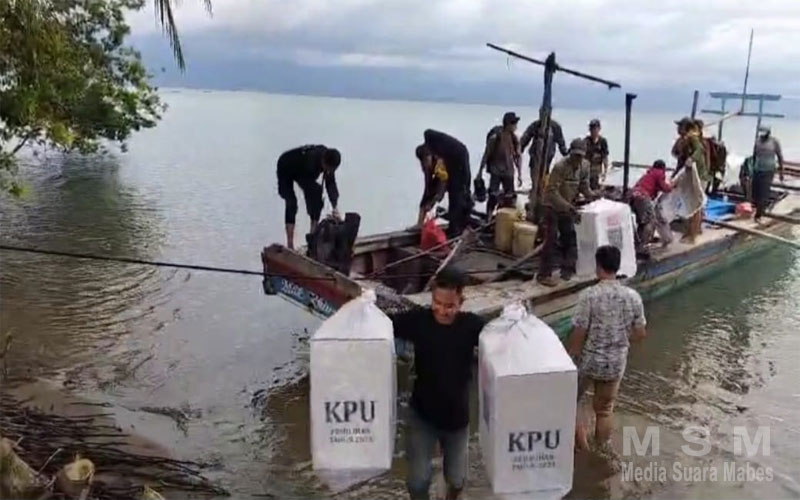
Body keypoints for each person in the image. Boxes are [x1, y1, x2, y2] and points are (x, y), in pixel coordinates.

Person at [390, 267, 486, 500]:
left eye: (449, 306)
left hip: (457, 421)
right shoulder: (418, 321)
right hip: (422, 417)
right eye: (437, 303)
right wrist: (363, 306)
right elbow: (384, 324)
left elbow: (500, 339)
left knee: (457, 479)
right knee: (418, 481)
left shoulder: (472, 326)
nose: (442, 311)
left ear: (461, 301)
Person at [567, 245, 647, 458]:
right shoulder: (633, 297)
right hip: (615, 363)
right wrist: (619, 341)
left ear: (598, 267)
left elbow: (579, 333)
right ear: (617, 267)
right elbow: (640, 333)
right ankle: (601, 451)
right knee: (604, 410)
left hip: (590, 361)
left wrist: (571, 357)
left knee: (572, 401)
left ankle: (582, 447)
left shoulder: (589, 296)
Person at [536, 138, 598, 287]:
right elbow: (551, 191)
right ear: (570, 153)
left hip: (568, 206)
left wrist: (593, 195)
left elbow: (584, 187)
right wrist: (568, 207)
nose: (577, 159)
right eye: (574, 155)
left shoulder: (585, 166)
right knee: (551, 239)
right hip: (552, 206)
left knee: (570, 237)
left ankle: (567, 269)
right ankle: (544, 275)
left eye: (580, 156)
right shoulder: (560, 167)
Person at [277, 145, 341, 250]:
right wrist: (315, 203)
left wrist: (335, 207)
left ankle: (312, 239)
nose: (328, 171)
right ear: (323, 161)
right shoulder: (311, 162)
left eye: (331, 170)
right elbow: (308, 190)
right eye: (327, 168)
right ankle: (290, 244)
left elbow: (330, 184)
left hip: (302, 170)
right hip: (285, 166)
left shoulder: (329, 159)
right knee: (292, 203)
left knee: (316, 198)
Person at [416, 130, 473, 237]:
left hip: (459, 161)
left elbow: (442, 186)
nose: (425, 165)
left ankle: (457, 229)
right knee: (455, 192)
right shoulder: (430, 159)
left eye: (426, 160)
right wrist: (427, 200)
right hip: (455, 161)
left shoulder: (440, 162)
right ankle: (420, 224)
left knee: (457, 193)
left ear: (429, 155)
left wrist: (434, 200)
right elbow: (428, 185)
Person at [520, 108, 569, 214]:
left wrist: (568, 157)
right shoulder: (535, 126)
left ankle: (541, 205)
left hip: (547, 162)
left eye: (545, 113)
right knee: (535, 184)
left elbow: (562, 145)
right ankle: (533, 206)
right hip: (535, 161)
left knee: (544, 185)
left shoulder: (555, 127)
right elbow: (524, 140)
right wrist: (517, 152)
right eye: (541, 113)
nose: (543, 115)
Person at [478, 112, 522, 216]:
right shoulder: (495, 137)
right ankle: (489, 216)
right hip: (496, 171)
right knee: (493, 196)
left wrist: (519, 174)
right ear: (508, 124)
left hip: (508, 172)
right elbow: (486, 154)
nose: (516, 126)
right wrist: (480, 172)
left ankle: (505, 217)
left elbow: (518, 157)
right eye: (514, 124)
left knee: (509, 198)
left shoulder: (514, 138)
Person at [630, 159, 672, 253]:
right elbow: (665, 188)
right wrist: (672, 185)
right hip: (643, 196)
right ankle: (643, 246)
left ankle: (638, 244)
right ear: (663, 168)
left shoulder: (648, 174)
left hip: (633, 196)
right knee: (650, 221)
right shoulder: (659, 173)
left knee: (642, 222)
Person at [752, 125, 785, 223]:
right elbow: (754, 155)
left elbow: (780, 156)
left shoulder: (774, 142)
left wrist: (781, 172)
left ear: (768, 133)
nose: (762, 135)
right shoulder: (757, 141)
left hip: (769, 170)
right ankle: (759, 208)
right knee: (755, 192)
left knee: (764, 192)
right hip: (757, 169)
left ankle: (759, 215)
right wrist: (751, 168)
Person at [585, 119, 610, 190]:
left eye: (595, 129)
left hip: (597, 170)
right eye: (592, 129)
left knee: (595, 187)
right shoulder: (586, 141)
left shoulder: (603, 141)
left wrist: (605, 171)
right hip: (587, 170)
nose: (594, 131)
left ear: (599, 129)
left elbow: (605, 157)